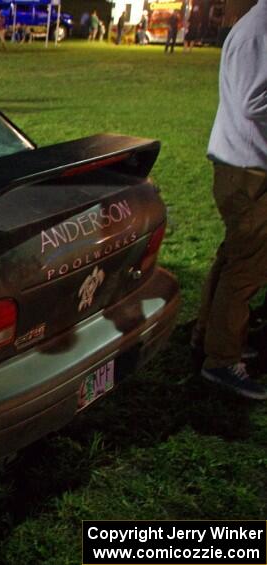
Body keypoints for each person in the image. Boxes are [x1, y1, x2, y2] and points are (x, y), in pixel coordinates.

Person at [194, 0, 267, 399]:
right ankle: (222, 359)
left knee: (233, 259)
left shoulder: (256, 24)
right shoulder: (262, 27)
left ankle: (212, 336)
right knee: (248, 268)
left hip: (241, 165)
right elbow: (255, 101)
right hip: (247, 170)